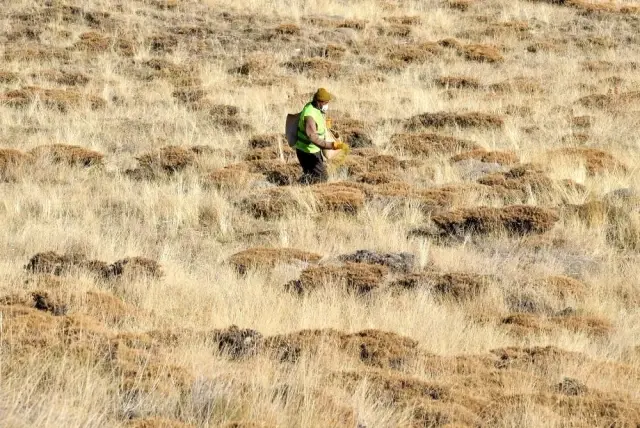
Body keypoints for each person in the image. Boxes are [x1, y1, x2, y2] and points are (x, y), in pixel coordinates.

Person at [295, 88, 347, 184]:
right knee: (322, 177)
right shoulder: (309, 115)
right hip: (308, 152)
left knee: (311, 174)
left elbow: (318, 120)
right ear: (319, 101)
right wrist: (332, 145)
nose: (327, 105)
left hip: (311, 150)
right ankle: (299, 186)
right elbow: (313, 137)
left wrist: (327, 125)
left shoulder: (314, 107)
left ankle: (300, 187)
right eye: (326, 103)